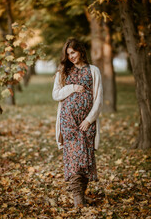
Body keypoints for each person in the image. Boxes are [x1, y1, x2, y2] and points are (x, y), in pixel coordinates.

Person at [52, 38, 103, 207]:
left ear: (81, 50)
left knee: (85, 158)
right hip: (68, 121)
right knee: (73, 158)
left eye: (73, 52)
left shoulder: (93, 70)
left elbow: (99, 99)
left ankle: (81, 195)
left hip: (87, 122)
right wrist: (72, 87)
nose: (71, 57)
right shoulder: (63, 71)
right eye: (68, 54)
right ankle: (78, 200)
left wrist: (89, 120)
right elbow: (56, 94)